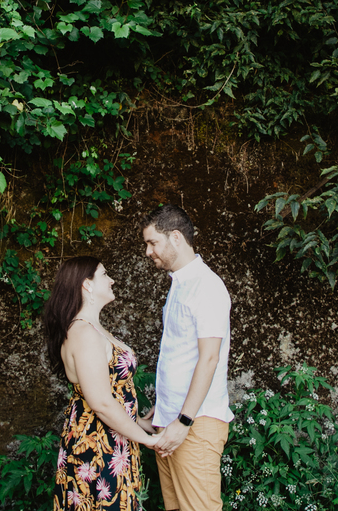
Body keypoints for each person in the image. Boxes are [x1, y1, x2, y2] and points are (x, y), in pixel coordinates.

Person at [44, 256, 159, 511]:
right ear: (87, 284)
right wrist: (148, 440)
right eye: (105, 274)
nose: (112, 280)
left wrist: (139, 423)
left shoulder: (93, 329)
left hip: (113, 440)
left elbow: (111, 392)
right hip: (97, 445)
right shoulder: (83, 333)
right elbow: (101, 402)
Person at [141, 205, 232, 511]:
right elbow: (180, 356)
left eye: (153, 242)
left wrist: (183, 421)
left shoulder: (206, 286)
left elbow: (209, 359)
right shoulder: (180, 285)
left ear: (176, 238)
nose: (148, 251)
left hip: (194, 424)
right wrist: (163, 407)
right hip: (171, 421)